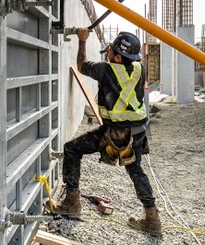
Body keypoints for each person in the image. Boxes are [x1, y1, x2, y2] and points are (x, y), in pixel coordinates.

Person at [45, 28, 162, 236]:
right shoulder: (139, 68)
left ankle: (72, 202)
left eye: (113, 50)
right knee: (135, 170)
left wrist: (82, 41)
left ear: (118, 57)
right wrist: (114, 51)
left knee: (71, 149)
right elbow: (122, 61)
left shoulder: (106, 70)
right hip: (138, 131)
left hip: (117, 132)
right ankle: (152, 219)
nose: (108, 51)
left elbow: (81, 65)